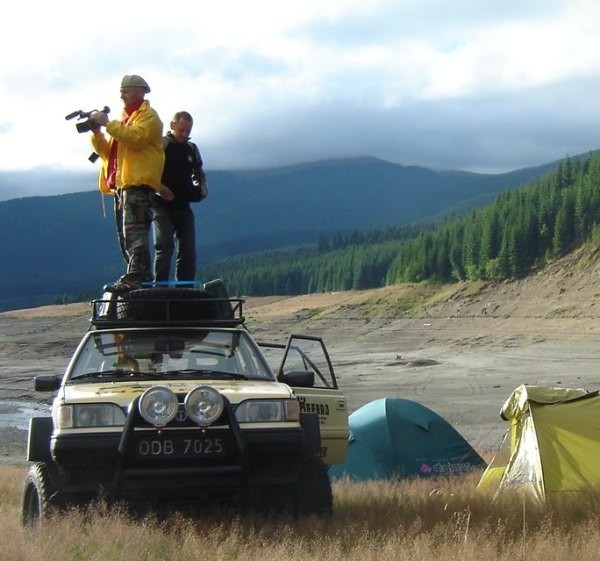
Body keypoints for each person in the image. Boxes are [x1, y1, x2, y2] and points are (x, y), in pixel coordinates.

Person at [90, 74, 173, 292]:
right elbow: (108, 154)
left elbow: (136, 139)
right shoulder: (124, 120)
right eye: (121, 90)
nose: (121, 95)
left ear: (140, 90)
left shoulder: (149, 118)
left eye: (126, 90)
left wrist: (108, 124)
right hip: (122, 186)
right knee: (125, 236)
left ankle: (138, 276)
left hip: (137, 185)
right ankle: (136, 276)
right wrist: (98, 133)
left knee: (135, 232)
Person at [152, 111, 208, 282]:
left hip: (183, 205)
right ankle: (159, 288)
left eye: (188, 131)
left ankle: (184, 289)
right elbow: (148, 172)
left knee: (188, 250)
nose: (185, 134)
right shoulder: (161, 145)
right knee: (165, 246)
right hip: (160, 204)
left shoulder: (191, 149)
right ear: (172, 126)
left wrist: (202, 187)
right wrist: (160, 188)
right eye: (181, 130)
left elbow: (199, 171)